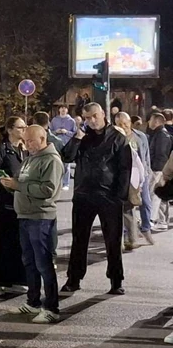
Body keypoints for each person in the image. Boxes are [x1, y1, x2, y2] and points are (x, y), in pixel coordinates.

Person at [60, 103, 131, 295]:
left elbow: (125, 168)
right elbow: (66, 157)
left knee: (113, 240)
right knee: (79, 239)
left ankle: (116, 280)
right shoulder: (82, 137)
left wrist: (120, 196)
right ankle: (74, 279)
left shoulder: (117, 138)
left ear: (103, 114)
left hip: (109, 196)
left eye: (94, 116)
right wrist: (76, 138)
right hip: (83, 195)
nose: (91, 121)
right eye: (87, 118)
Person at [1, 126, 63, 324]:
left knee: (44, 264)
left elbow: (48, 190)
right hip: (25, 216)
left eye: (31, 141)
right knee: (29, 261)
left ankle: (51, 308)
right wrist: (11, 183)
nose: (27, 145)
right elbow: (24, 181)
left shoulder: (51, 160)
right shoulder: (30, 158)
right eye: (25, 141)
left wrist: (18, 185)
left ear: (43, 138)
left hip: (41, 218)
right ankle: (33, 302)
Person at [0, 116, 28, 296]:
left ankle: (17, 279)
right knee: (3, 244)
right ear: (10, 130)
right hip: (5, 204)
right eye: (20, 127)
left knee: (18, 243)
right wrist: (6, 186)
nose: (23, 130)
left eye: (24, 127)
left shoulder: (23, 150)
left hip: (20, 202)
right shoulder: (2, 149)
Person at [115, 112, 152, 249]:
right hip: (124, 178)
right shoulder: (115, 137)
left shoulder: (140, 137)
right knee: (126, 207)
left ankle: (146, 228)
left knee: (145, 203)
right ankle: (128, 237)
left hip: (140, 176)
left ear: (130, 122)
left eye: (125, 124)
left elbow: (145, 156)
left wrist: (146, 174)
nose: (123, 127)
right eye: (120, 124)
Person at [146, 111, 172, 231]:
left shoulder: (161, 135)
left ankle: (153, 219)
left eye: (151, 119)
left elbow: (161, 154)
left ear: (156, 121)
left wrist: (155, 169)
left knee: (155, 194)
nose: (149, 122)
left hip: (158, 169)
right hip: (160, 168)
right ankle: (161, 220)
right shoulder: (160, 134)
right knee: (159, 195)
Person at [51, 105, 77, 190]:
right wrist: (56, 132)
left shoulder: (71, 121)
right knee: (56, 164)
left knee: (66, 164)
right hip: (56, 144)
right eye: (61, 108)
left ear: (67, 110)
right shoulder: (54, 120)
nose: (63, 110)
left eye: (65, 108)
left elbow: (75, 133)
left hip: (67, 144)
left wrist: (66, 132)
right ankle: (56, 182)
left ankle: (66, 183)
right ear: (59, 109)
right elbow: (50, 132)